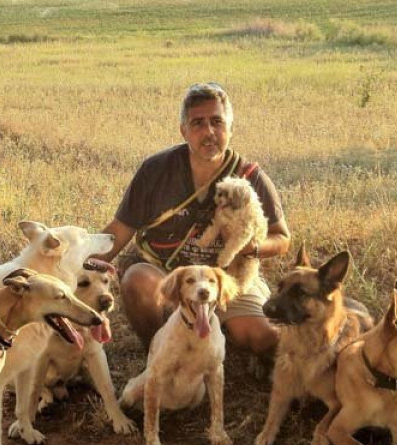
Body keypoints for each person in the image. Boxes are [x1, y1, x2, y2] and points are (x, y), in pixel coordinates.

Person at [98, 82, 290, 356]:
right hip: (170, 272)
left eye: (217, 121)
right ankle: (161, 353)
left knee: (264, 338)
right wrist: (80, 268)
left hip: (227, 277)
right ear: (183, 130)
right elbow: (119, 229)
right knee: (137, 279)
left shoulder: (249, 176)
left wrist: (250, 248)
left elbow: (282, 238)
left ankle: (218, 330)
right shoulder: (156, 170)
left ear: (230, 128)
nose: (209, 132)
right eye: (198, 123)